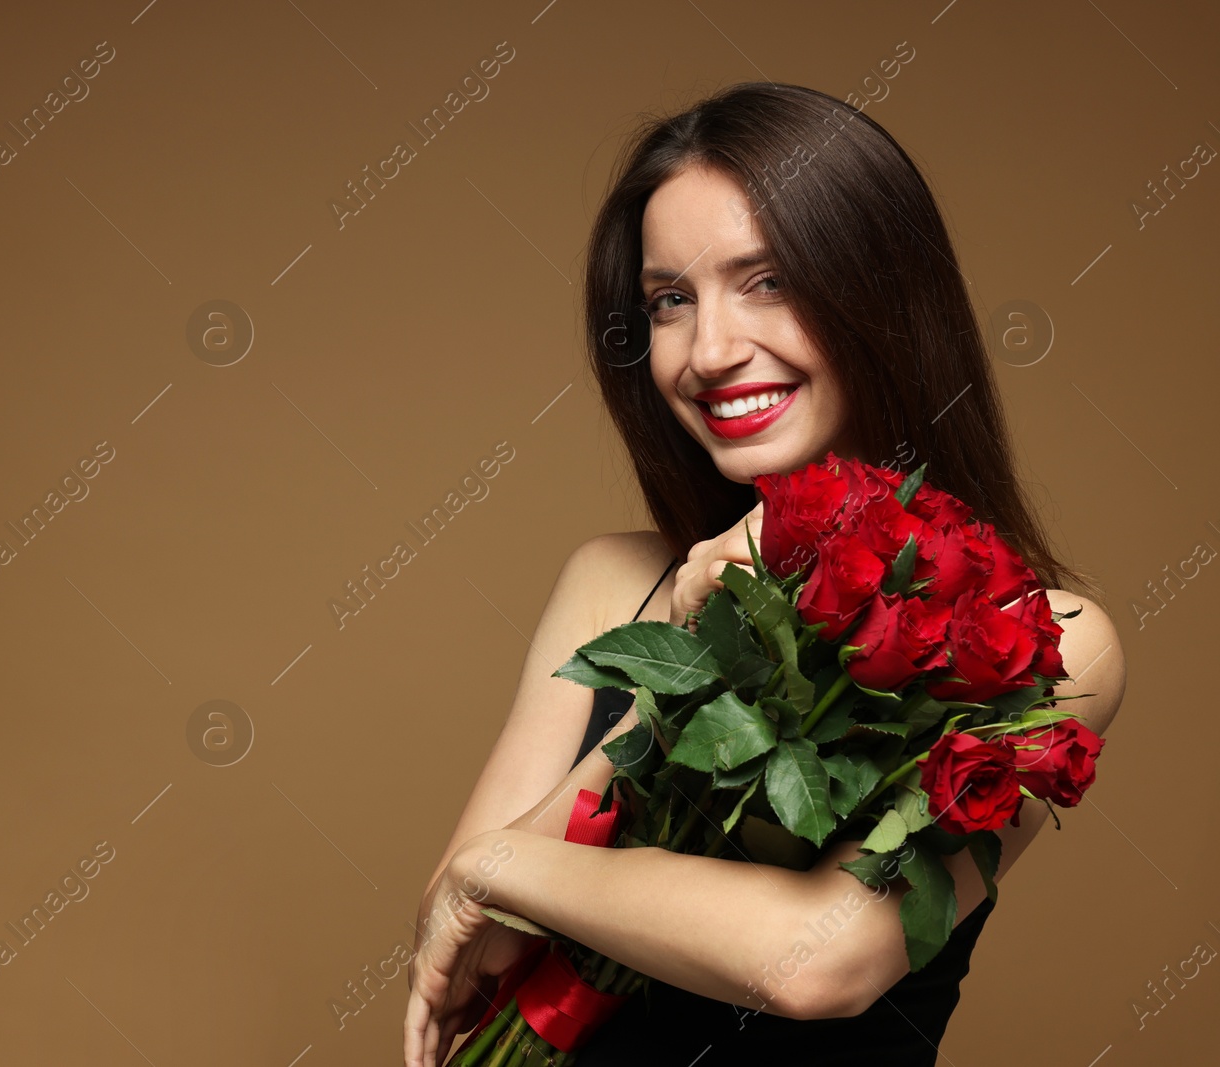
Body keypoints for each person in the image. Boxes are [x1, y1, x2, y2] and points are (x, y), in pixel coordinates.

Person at [402, 81, 1127, 1066]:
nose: (707, 350)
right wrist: (691, 658)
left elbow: (817, 959)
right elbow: (478, 943)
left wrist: (697, 683)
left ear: (878, 294)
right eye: (669, 299)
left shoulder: (1037, 631)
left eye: (769, 279)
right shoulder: (610, 579)